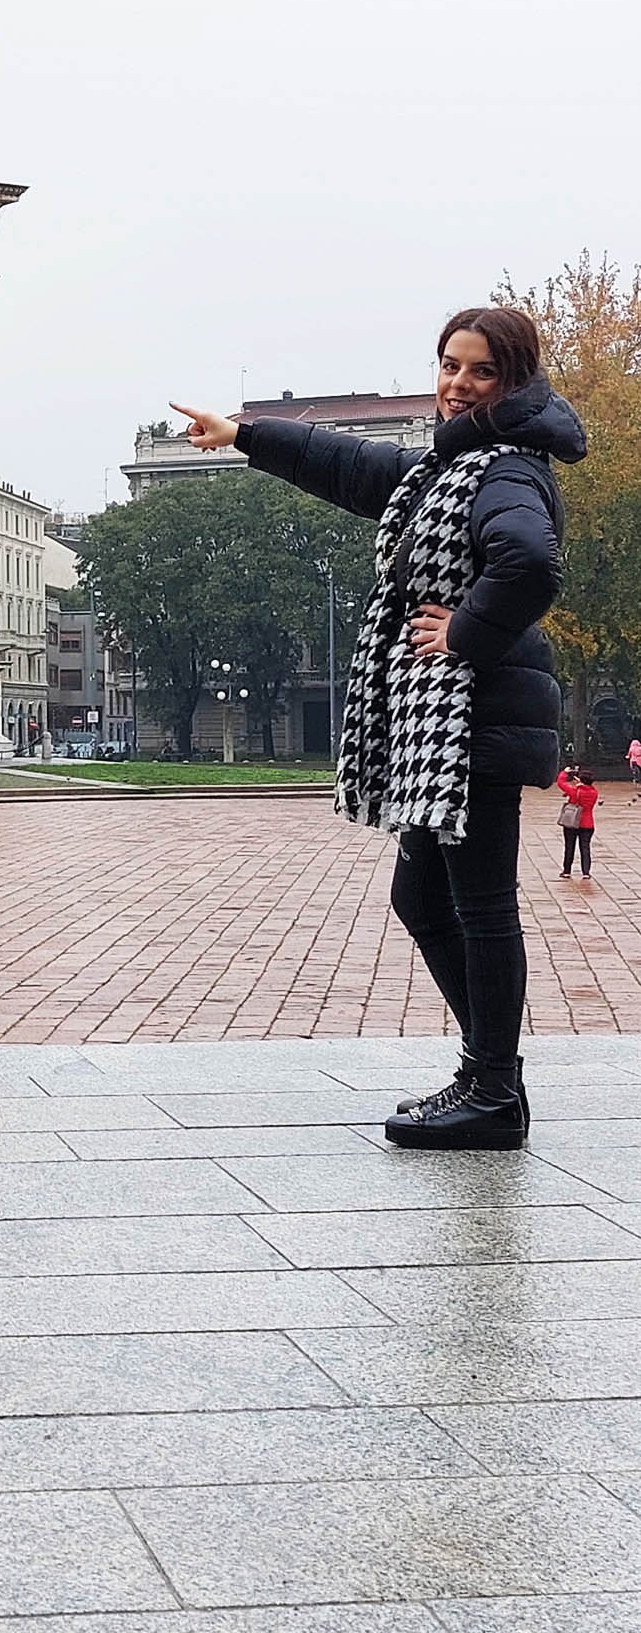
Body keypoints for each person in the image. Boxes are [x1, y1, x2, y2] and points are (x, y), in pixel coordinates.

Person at [173, 305, 586, 1150]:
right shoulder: (446, 466)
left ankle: (495, 1088)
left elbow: (532, 565)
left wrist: (463, 630)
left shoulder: (505, 471)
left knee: (479, 904)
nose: (456, 383)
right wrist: (244, 434)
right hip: (445, 723)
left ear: (512, 380)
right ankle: (489, 1072)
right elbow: (348, 463)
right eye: (448, 364)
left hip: (472, 719)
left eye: (478, 370)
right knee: (426, 897)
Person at [557, 765, 599, 878]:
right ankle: (586, 872)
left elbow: (561, 783)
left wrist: (565, 773)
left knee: (569, 847)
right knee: (585, 848)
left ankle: (567, 871)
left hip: (572, 822)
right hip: (588, 824)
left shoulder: (574, 791)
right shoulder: (594, 793)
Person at [628, 737, 641, 803]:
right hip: (639, 761)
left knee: (635, 770)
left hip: (633, 761)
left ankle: (635, 778)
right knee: (638, 771)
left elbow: (629, 755)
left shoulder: (631, 748)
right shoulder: (640, 748)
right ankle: (637, 779)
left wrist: (628, 756)